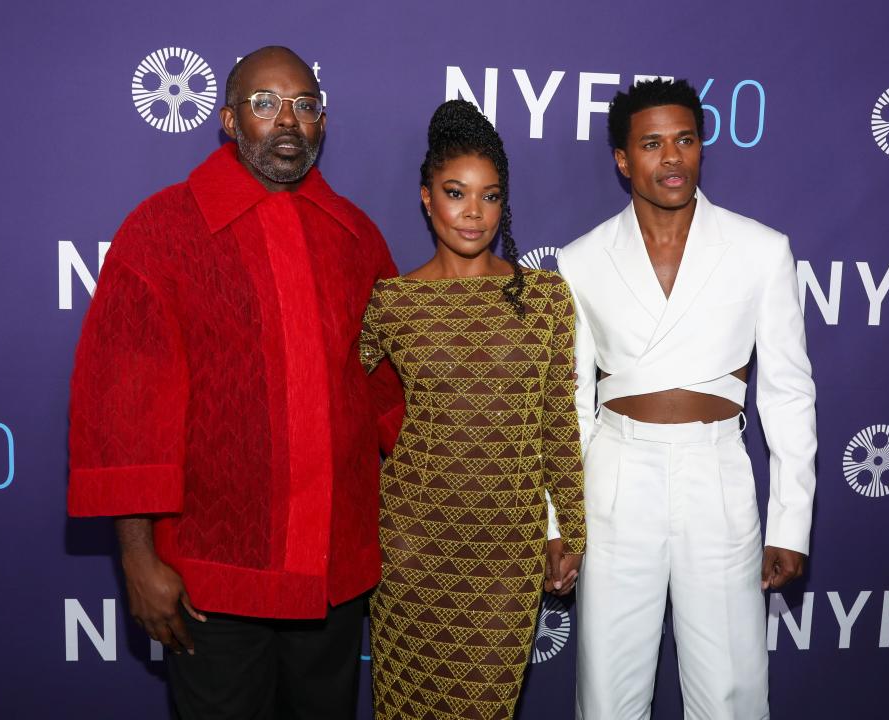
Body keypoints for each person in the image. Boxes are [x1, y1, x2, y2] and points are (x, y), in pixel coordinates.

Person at [67, 46, 403, 720]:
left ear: (322, 122)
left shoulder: (357, 238)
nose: (287, 121)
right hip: (209, 583)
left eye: (304, 106)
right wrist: (137, 558)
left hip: (334, 578)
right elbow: (125, 408)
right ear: (226, 118)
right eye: (264, 104)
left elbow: (391, 396)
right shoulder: (161, 232)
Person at [559, 79, 816, 719]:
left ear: (702, 148)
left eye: (685, 140)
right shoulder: (581, 260)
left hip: (718, 476)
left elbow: (786, 392)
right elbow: (569, 407)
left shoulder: (761, 250)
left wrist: (791, 522)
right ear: (623, 159)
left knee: (730, 690)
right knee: (608, 693)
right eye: (652, 144)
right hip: (617, 477)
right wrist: (561, 522)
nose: (671, 158)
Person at [359, 99, 587, 720]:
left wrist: (568, 529)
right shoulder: (392, 303)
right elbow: (341, 406)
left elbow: (556, 425)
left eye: (489, 197)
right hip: (412, 546)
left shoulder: (543, 297)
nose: (472, 212)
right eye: (455, 192)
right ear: (426, 197)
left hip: (506, 552)